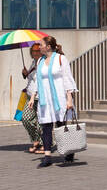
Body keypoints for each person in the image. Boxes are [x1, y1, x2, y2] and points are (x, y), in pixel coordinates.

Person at [35, 36, 79, 166]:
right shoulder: (40, 61)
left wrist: (69, 99)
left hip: (59, 98)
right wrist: (34, 96)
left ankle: (68, 151)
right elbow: (39, 81)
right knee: (46, 126)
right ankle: (47, 157)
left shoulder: (61, 59)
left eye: (41, 45)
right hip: (45, 99)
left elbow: (67, 78)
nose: (39, 47)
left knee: (61, 126)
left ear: (48, 46)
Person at [20, 41, 45, 154]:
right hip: (30, 96)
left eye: (37, 50)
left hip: (40, 97)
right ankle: (37, 139)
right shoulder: (32, 63)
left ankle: (43, 143)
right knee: (26, 119)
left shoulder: (43, 63)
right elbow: (31, 79)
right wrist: (25, 74)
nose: (35, 53)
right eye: (33, 51)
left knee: (41, 122)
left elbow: (40, 81)